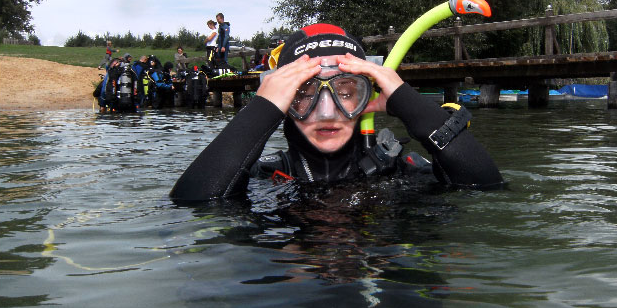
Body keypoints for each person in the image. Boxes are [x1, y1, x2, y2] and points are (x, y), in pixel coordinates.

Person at [170, 23, 503, 202]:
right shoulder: (261, 178)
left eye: (347, 93)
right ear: (283, 104)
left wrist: (407, 102)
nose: (327, 113)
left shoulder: (400, 170)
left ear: (367, 98)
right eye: (303, 95)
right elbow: (192, 205)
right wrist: (262, 109)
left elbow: (485, 187)